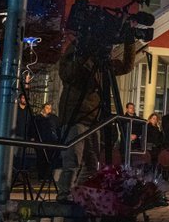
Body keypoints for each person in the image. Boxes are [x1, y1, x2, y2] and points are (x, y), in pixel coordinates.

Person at [52, 36, 138, 202]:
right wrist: (85, 51)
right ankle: (64, 195)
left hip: (94, 120)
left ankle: (81, 195)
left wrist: (130, 41)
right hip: (75, 118)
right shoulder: (75, 58)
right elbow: (68, 74)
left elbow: (126, 66)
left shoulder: (102, 65)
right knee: (72, 162)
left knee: (92, 165)